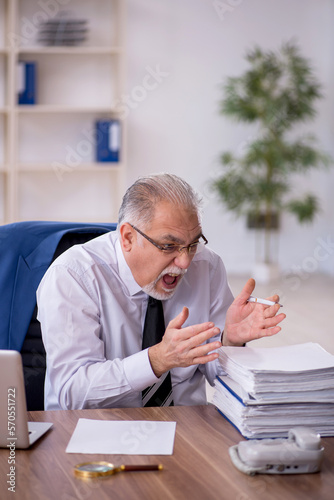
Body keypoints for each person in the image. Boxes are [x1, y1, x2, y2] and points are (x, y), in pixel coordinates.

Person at [37, 173, 285, 410]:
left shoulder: (207, 267)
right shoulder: (73, 275)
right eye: (169, 246)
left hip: (184, 426)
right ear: (127, 238)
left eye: (192, 244)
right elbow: (72, 392)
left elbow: (218, 374)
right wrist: (156, 360)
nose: (185, 262)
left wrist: (230, 341)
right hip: (94, 428)